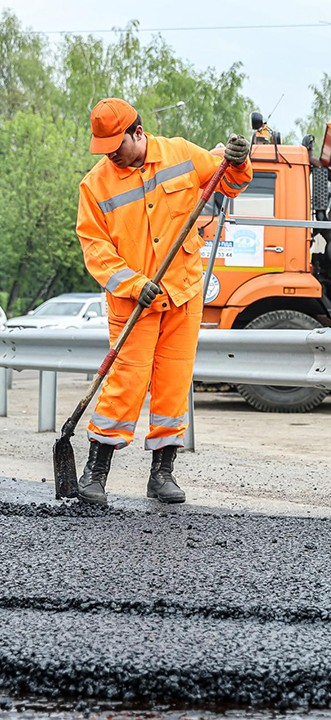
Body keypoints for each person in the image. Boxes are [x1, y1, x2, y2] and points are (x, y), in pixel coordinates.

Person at [75, 98, 252, 506]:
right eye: (104, 149)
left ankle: (162, 474)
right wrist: (135, 284)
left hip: (183, 292)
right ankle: (94, 474)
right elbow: (95, 250)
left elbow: (230, 184)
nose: (112, 156)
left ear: (138, 132)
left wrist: (238, 163)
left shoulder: (180, 154)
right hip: (132, 303)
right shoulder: (95, 185)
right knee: (126, 384)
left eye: (117, 146)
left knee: (173, 385)